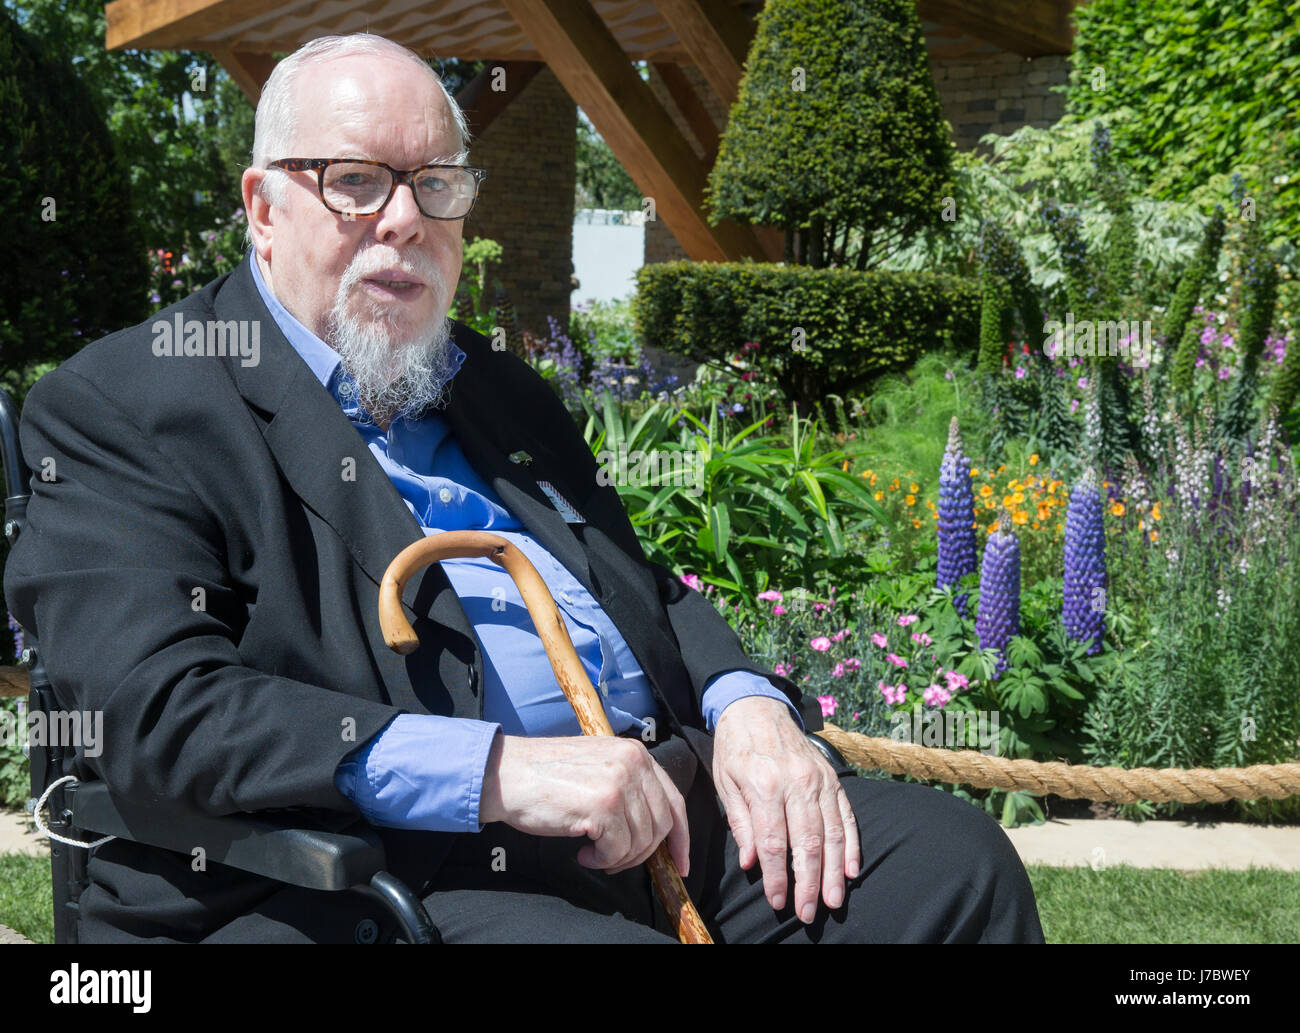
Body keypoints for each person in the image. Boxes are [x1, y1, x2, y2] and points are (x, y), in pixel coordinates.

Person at [3, 32, 1045, 944]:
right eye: (355, 181)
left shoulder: (493, 387)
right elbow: (153, 710)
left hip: (646, 832)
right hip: (359, 876)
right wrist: (499, 772)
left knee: (948, 867)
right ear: (263, 206)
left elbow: (646, 589)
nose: (403, 219)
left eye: (436, 184)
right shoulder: (128, 403)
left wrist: (747, 707)